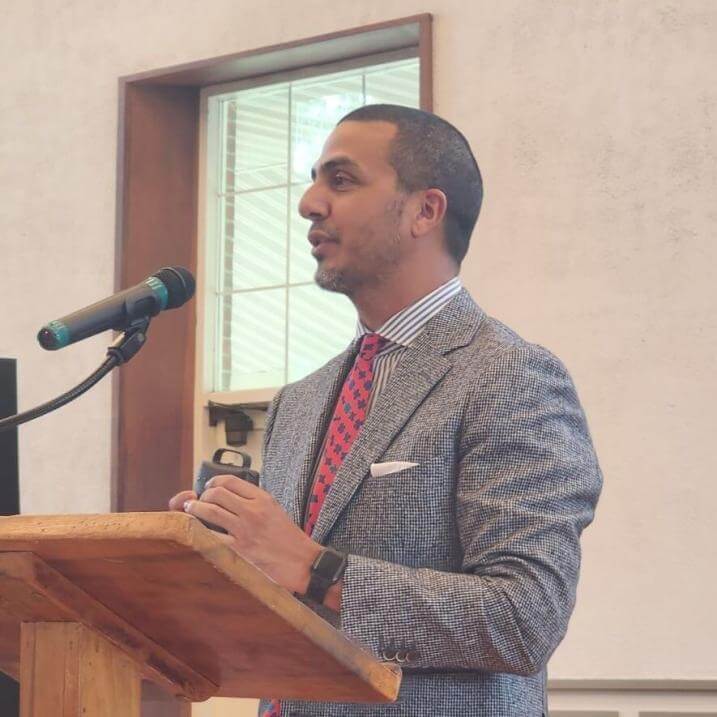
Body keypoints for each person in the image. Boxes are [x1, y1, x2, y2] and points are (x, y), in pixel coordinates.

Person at [169, 104, 602, 716]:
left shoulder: (507, 374)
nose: (309, 204)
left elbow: (525, 617)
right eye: (314, 180)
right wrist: (217, 556)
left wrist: (314, 568)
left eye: (341, 180)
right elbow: (289, 598)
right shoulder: (301, 400)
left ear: (425, 210)